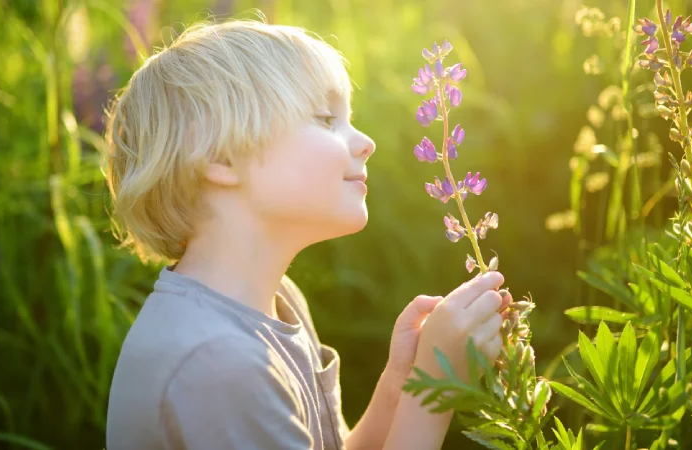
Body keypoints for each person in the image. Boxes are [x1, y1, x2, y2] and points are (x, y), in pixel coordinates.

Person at [102, 16, 511, 450]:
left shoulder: (276, 301)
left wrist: (401, 384)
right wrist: (436, 386)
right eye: (325, 118)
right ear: (218, 155)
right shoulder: (216, 362)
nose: (364, 142)